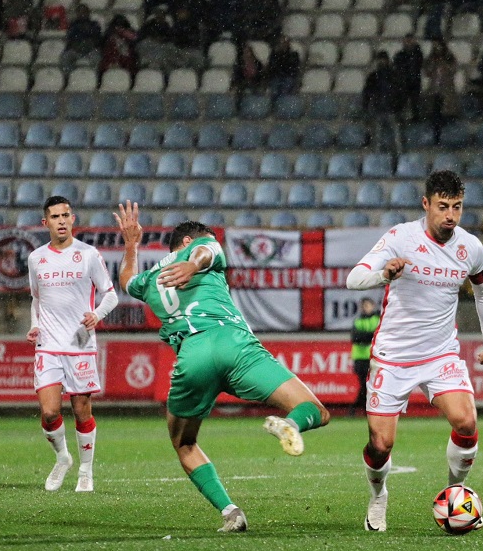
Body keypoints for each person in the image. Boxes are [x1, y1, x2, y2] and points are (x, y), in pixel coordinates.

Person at [114, 203, 330, 532]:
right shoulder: (202, 247)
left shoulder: (149, 279)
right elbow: (208, 249)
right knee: (315, 409)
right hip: (235, 344)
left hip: (193, 355)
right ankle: (290, 425)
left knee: (184, 444)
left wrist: (131, 245)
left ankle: (230, 512)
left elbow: (127, 280)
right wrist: (193, 265)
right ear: (186, 242)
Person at [346, 170, 483, 532]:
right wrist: (385, 272)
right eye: (442, 207)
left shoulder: (470, 248)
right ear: (426, 204)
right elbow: (354, 279)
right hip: (392, 357)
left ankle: (453, 492)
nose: (450, 215)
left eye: (457, 207)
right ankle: (378, 496)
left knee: (466, 422)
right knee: (381, 444)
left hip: (441, 354)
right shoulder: (400, 237)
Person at [26, 196, 119, 493]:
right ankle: (62, 458)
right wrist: (34, 325)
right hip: (49, 344)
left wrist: (97, 314)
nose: (62, 220)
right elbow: (36, 299)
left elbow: (111, 294)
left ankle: (86, 470)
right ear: (46, 223)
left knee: (81, 410)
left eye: (66, 215)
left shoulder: (88, 254)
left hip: (79, 344)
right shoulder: (36, 258)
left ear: (73, 219)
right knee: (50, 412)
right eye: (55, 216)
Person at [349, 297, 380, 416]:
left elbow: (374, 335)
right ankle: (364, 407)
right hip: (360, 358)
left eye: (368, 305)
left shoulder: (377, 319)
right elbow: (355, 338)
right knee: (365, 384)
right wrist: (369, 336)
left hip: (373, 357)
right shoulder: (358, 321)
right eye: (364, 306)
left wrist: (364, 337)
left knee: (369, 384)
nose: (366, 308)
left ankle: (358, 407)